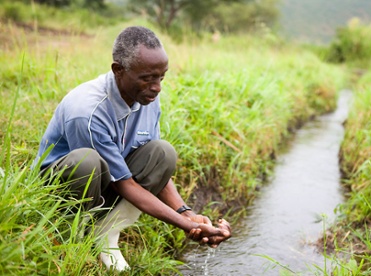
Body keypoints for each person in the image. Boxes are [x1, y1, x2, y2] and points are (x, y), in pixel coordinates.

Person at [34, 26, 231, 271]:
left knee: (163, 153)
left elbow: (154, 170)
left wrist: (187, 212)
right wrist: (185, 225)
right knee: (87, 162)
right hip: (61, 188)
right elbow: (123, 183)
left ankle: (106, 234)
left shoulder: (147, 98)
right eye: (147, 77)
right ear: (118, 70)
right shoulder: (87, 111)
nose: (157, 86)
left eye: (161, 77)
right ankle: (71, 235)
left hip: (111, 179)